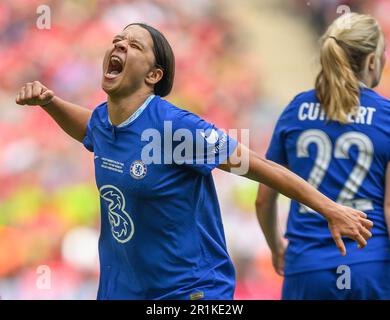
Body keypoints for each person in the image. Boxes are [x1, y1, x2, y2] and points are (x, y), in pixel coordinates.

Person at [16, 23, 372, 300]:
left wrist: (330, 209)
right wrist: (50, 103)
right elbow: (88, 129)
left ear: (154, 76)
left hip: (190, 291)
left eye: (135, 45)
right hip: (122, 289)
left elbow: (263, 167)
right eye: (118, 40)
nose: (120, 45)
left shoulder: (175, 130)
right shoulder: (105, 123)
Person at [256, 13, 390, 300]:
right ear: (371, 61)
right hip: (370, 267)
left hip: (306, 267)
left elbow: (264, 198)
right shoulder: (387, 117)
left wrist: (276, 247)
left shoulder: (296, 109)